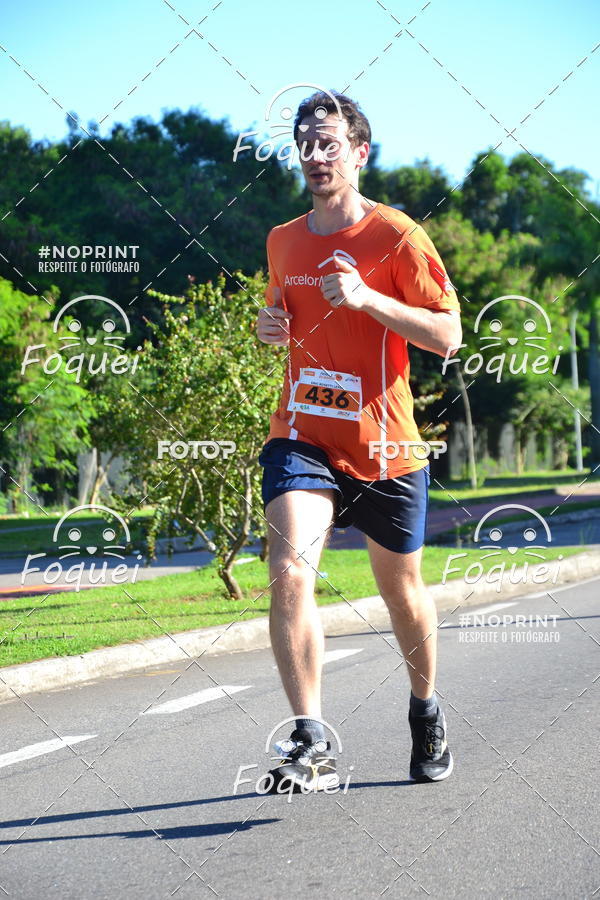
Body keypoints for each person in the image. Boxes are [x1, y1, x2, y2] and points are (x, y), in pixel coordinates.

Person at [255, 90, 462, 790]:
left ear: (359, 153)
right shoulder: (283, 240)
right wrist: (268, 327)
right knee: (288, 569)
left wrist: (370, 298)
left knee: (401, 591)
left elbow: (448, 337)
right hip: (303, 435)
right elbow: (280, 312)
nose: (316, 156)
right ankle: (309, 735)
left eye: (330, 143)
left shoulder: (397, 236)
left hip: (384, 445)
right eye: (305, 144)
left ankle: (424, 708)